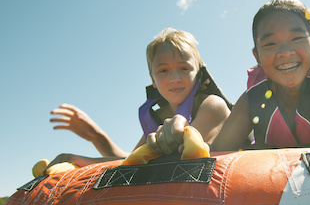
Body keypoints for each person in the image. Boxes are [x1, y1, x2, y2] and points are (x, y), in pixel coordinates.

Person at [148, 0, 310, 155]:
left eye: (296, 38)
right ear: (257, 56)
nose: (285, 52)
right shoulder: (252, 99)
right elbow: (214, 152)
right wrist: (178, 136)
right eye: (270, 44)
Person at [48, 28, 231, 167]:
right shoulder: (159, 116)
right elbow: (131, 158)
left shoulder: (212, 105)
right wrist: (96, 136)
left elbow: (164, 161)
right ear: (153, 79)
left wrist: (84, 161)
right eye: (163, 71)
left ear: (198, 72)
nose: (175, 79)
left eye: (184, 68)